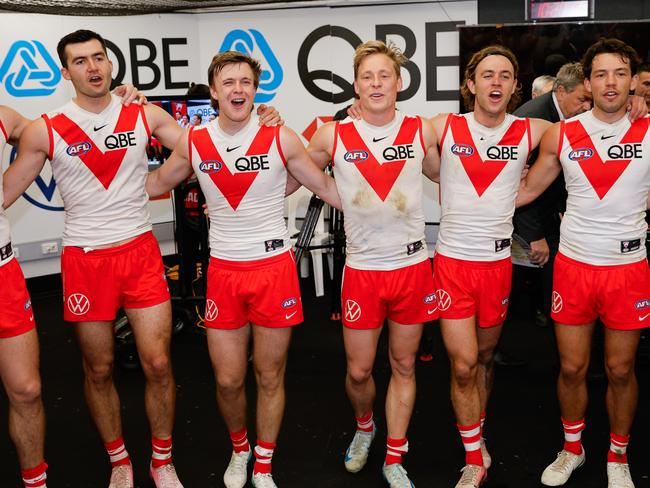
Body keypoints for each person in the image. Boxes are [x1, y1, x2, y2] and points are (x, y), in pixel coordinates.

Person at [2, 30, 279, 488]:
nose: (92, 68)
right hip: (85, 260)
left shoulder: (143, 113)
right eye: (80, 61)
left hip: (140, 254)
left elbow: (205, 145)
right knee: (99, 368)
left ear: (111, 64)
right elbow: (5, 194)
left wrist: (261, 120)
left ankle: (161, 459)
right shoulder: (45, 129)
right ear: (64, 71)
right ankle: (118, 460)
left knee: (159, 364)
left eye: (99, 58)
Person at [145, 50, 341, 488]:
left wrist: (379, 200)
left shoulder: (281, 136)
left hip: (273, 269)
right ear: (213, 91)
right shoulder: (195, 141)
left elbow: (326, 186)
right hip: (225, 273)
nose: (238, 90)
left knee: (269, 374)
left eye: (246, 82)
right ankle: (240, 450)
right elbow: (156, 183)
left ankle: (265, 463)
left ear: (256, 89)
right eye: (229, 82)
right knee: (230, 379)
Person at [307, 40, 440, 487]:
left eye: (385, 75)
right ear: (356, 84)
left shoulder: (422, 130)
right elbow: (290, 172)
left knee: (404, 365)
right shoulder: (333, 133)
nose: (377, 83)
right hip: (363, 271)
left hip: (411, 266)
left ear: (399, 83)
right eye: (368, 76)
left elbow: (451, 172)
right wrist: (231, 205)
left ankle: (394, 456)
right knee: (359, 371)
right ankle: (365, 428)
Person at [517, 38, 649, 488]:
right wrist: (458, 189)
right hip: (574, 267)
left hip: (627, 270)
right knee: (571, 368)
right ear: (587, 83)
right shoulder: (563, 133)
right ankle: (572, 448)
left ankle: (618, 454)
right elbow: (528, 191)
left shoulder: (649, 128)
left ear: (632, 80)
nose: (610, 82)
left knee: (620, 370)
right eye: (601, 74)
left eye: (619, 73)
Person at [427, 45, 551, 488]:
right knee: (462, 365)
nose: (495, 83)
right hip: (453, 263)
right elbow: (380, 129)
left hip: (497, 265)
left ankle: (474, 426)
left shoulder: (533, 130)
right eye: (487, 75)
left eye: (504, 75)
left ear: (516, 85)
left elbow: (590, 129)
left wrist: (635, 102)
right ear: (471, 84)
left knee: (482, 358)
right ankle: (473, 455)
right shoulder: (445, 126)